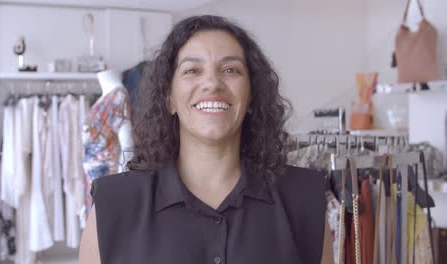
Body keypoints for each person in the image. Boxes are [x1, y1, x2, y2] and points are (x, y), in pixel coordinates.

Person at [79, 15, 326, 264]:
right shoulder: (113, 204)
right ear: (169, 98)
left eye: (230, 70)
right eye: (192, 70)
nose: (212, 83)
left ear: (252, 96)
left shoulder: (304, 199)